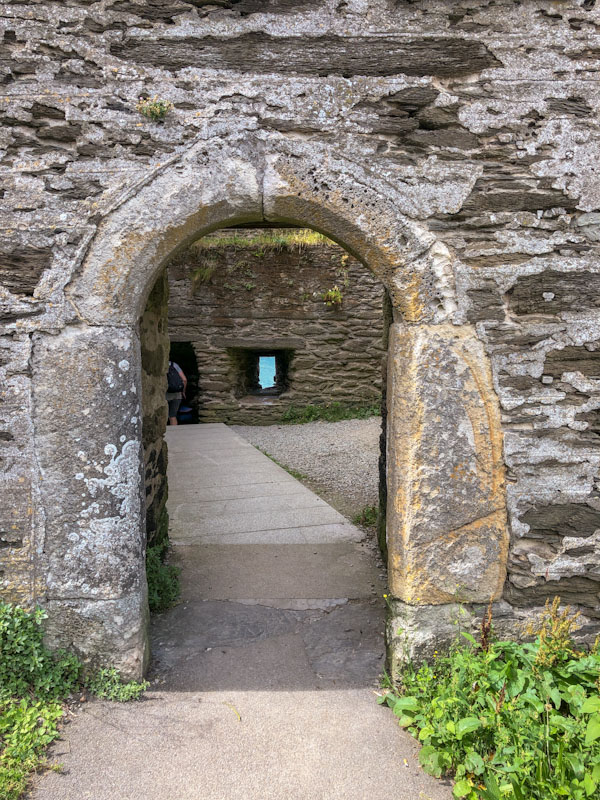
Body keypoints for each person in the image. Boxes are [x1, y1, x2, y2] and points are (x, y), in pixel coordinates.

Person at [166, 360, 187, 425]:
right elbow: (184, 379)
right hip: (177, 395)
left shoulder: (160, 365)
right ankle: (174, 430)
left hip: (165, 394)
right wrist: (183, 392)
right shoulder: (174, 365)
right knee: (172, 416)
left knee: (162, 415)